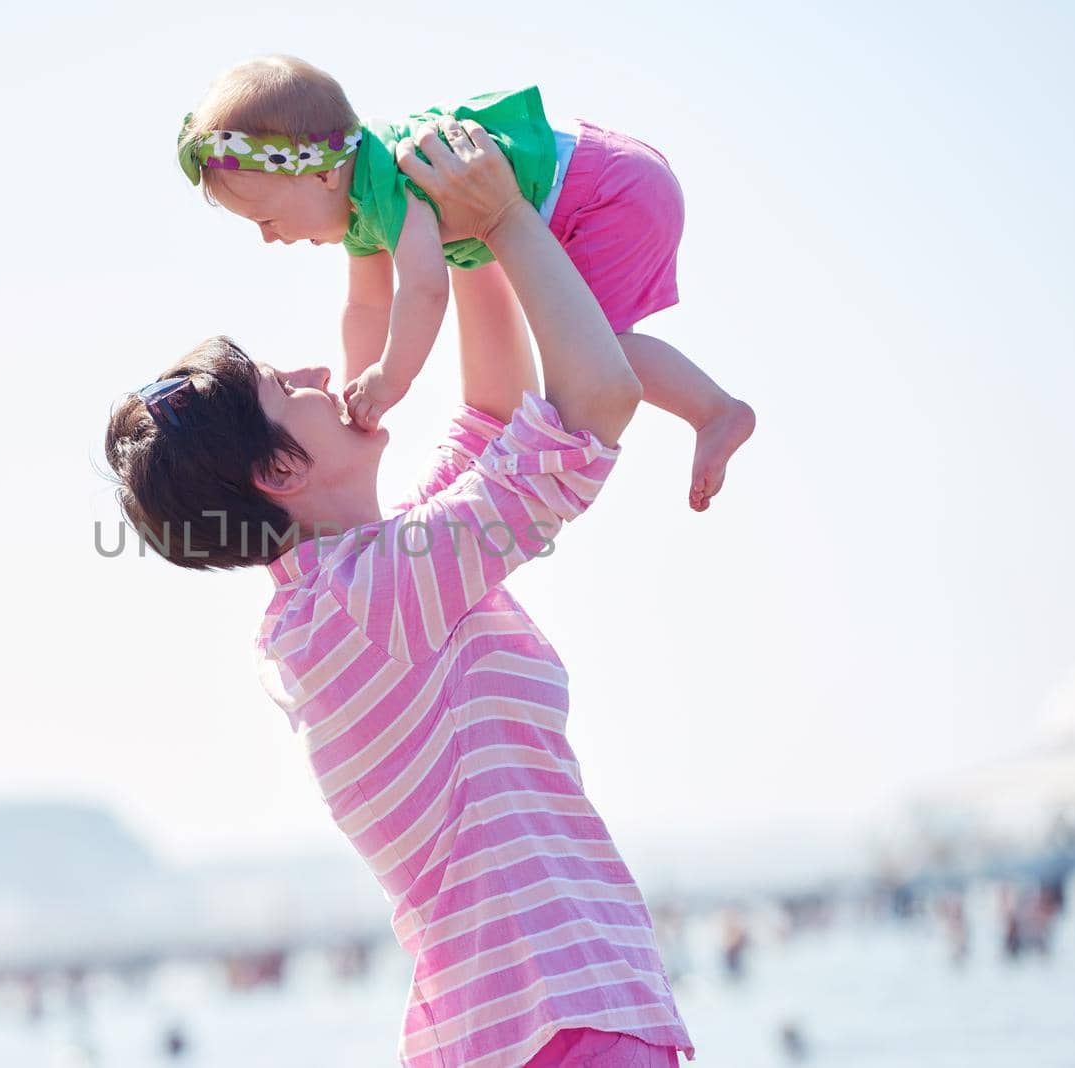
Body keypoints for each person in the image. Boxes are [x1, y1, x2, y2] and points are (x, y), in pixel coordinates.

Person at [108, 119, 691, 1066]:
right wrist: (504, 214)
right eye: (277, 387)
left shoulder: (350, 593)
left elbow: (492, 421)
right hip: (552, 1021)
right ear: (279, 472)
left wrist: (451, 223)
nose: (310, 371)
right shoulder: (355, 602)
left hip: (540, 1017)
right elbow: (595, 408)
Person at [177, 55, 754, 511]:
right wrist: (358, 385)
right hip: (601, 178)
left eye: (267, 220)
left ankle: (716, 412)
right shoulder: (358, 204)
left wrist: (391, 379)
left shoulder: (388, 179)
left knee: (601, 355)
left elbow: (425, 289)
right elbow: (365, 304)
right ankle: (713, 411)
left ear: (323, 173)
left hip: (604, 194)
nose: (269, 240)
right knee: (591, 354)